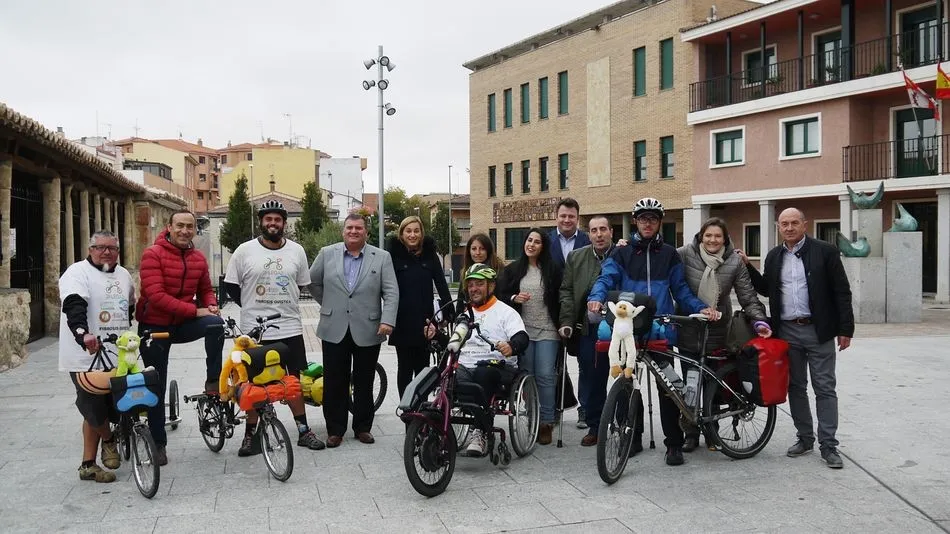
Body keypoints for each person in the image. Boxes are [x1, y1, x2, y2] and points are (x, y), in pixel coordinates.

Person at [587, 197, 716, 466]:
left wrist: (700, 308)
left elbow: (680, 289)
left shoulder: (669, 254)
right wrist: (596, 297)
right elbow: (606, 278)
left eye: (653, 219)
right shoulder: (621, 252)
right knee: (626, 385)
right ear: (635, 221)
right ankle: (631, 438)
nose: (648, 223)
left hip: (661, 329)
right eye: (643, 218)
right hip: (628, 329)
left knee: (667, 389)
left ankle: (673, 443)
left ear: (659, 222)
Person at [737, 207, 854, 469]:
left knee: (824, 387)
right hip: (787, 331)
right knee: (796, 387)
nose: (789, 228)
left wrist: (846, 329)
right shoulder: (774, 256)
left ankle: (829, 445)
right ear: (778, 227)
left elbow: (841, 292)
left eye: (794, 223)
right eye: (784, 224)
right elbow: (767, 288)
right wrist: (748, 267)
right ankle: (805, 438)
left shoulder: (825, 251)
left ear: (805, 224)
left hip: (818, 330)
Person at [223, 200, 326, 456]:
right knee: (253, 384)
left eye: (277, 219)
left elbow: (300, 284)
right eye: (268, 219)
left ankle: (303, 431)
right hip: (254, 333)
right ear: (261, 222)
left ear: (284, 223)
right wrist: (252, 306)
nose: (272, 223)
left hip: (289, 327)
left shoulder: (297, 251)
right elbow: (231, 286)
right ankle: (251, 436)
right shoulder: (244, 251)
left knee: (293, 381)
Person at [137, 209, 224, 466]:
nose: (186, 231)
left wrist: (210, 306)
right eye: (180, 226)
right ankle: (158, 442)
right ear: (169, 227)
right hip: (154, 325)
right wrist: (195, 310)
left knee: (215, 324)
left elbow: (206, 290)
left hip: (183, 324)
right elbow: (156, 296)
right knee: (156, 384)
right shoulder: (153, 254)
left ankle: (212, 379)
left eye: (190, 226)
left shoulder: (197, 258)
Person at [676, 217, 772, 452]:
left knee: (714, 385)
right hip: (689, 329)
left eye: (718, 236)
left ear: (725, 239)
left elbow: (747, 295)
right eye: (708, 235)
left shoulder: (734, 262)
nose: (712, 240)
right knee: (690, 384)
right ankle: (690, 432)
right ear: (701, 236)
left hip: (720, 332)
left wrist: (759, 319)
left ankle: (712, 432)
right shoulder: (684, 254)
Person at [308, 213, 398, 447]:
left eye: (358, 228)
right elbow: (312, 282)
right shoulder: (327, 254)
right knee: (334, 380)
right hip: (333, 326)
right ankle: (335, 430)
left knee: (364, 380)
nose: (353, 231)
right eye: (349, 228)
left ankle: (362, 427)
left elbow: (391, 292)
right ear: (343, 231)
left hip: (369, 328)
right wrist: (328, 304)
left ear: (366, 232)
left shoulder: (382, 257)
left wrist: (387, 320)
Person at [426, 263, 528, 457]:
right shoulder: (465, 314)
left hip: (496, 366)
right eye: (470, 285)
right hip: (466, 364)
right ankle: (437, 426)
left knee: (484, 373)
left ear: (491, 286)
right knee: (446, 375)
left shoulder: (506, 312)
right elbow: (453, 342)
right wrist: (436, 335)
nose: (474, 289)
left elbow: (522, 337)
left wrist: (511, 346)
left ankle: (480, 430)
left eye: (479, 284)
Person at [59, 231, 134, 483]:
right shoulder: (77, 273)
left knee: (107, 407)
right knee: (93, 405)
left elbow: (129, 307)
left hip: (119, 354)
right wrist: (83, 334)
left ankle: (88, 464)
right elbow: (73, 304)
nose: (106, 252)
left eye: (112, 248)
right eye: (99, 247)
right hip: (86, 356)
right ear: (90, 249)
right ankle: (109, 440)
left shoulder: (123, 275)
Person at [496, 229, 562, 445]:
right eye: (529, 240)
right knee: (528, 376)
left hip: (548, 329)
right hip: (523, 331)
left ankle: (547, 421)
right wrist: (514, 297)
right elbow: (499, 295)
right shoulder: (514, 269)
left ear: (543, 247)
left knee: (545, 375)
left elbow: (561, 297)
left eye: (537, 242)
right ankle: (533, 416)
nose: (531, 245)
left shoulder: (552, 270)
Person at [558, 215, 616, 446]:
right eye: (594, 230)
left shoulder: (623, 254)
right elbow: (567, 291)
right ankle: (595, 425)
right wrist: (567, 321)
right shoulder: (576, 257)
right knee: (592, 377)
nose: (599, 234)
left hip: (619, 327)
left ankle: (627, 424)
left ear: (611, 231)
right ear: (588, 234)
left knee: (626, 375)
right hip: (588, 327)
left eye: (603, 229)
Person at [386, 216, 453, 398]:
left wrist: (448, 313)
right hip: (402, 320)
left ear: (421, 233)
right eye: (408, 231)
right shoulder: (393, 257)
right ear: (401, 234)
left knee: (422, 368)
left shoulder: (430, 256)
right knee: (405, 368)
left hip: (425, 321)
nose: (412, 234)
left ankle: (421, 410)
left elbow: (441, 284)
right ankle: (407, 411)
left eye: (416, 231)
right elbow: (384, 286)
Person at [547, 198, 592, 429]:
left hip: (583, 311)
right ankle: (555, 407)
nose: (567, 220)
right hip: (553, 312)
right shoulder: (545, 241)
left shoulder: (588, 239)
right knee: (555, 364)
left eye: (571, 216)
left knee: (586, 362)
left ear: (577, 217)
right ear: (556, 217)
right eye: (563, 215)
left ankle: (586, 409)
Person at [457, 233, 505, 315]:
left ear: (488, 251)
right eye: (474, 249)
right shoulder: (466, 272)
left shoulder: (499, 272)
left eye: (482, 249)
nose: (477, 252)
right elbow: (460, 303)